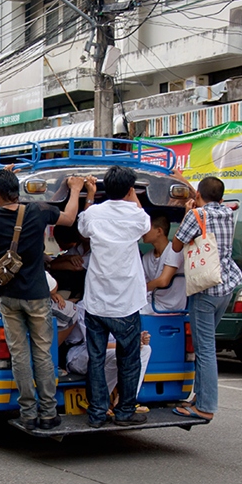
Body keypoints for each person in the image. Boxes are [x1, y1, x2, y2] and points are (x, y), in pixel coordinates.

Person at [0, 167, 85, 431]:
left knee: (20, 355)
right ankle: (48, 413)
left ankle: (28, 413)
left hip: (9, 297)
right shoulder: (38, 211)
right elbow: (70, 218)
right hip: (38, 296)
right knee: (43, 354)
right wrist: (74, 189)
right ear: (18, 191)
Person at [77, 167, 150, 428]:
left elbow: (82, 228)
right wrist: (132, 196)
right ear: (130, 190)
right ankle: (124, 412)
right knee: (128, 359)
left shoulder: (94, 213)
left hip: (96, 300)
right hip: (126, 301)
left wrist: (90, 195)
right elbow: (145, 224)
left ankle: (97, 414)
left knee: (96, 359)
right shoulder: (136, 215)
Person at [170, 176, 242, 422]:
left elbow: (177, 245)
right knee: (206, 346)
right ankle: (198, 397)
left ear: (199, 196)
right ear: (221, 197)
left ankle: (205, 405)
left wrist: (188, 214)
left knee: (205, 350)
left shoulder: (196, 215)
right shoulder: (227, 214)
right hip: (225, 286)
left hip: (204, 289)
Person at [58, 300, 151, 413]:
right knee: (118, 355)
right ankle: (96, 400)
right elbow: (95, 344)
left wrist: (138, 339)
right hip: (80, 354)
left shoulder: (123, 305)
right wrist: (130, 345)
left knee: (145, 349)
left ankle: (125, 400)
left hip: (111, 351)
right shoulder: (86, 306)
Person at [140, 213, 187, 314]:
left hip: (171, 307)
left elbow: (162, 281)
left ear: (159, 231)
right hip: (151, 304)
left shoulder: (175, 250)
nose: (143, 231)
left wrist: (139, 289)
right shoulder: (147, 257)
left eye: (147, 227)